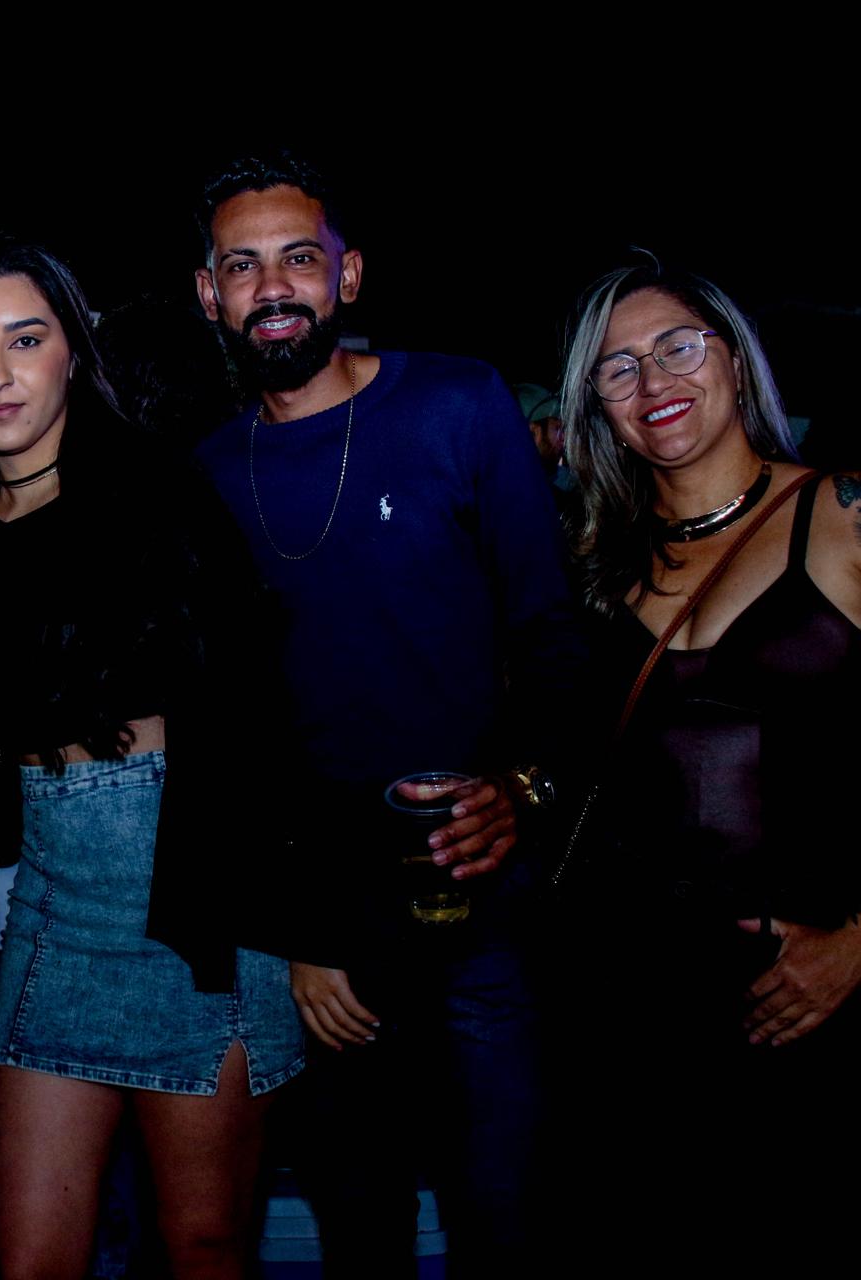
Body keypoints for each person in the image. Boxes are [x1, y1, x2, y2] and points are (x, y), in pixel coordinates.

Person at [189, 153, 581, 1277]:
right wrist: (304, 937)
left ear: (347, 275)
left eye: (298, 259)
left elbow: (555, 643)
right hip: (331, 950)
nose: (273, 287)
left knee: (506, 1226)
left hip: (485, 920)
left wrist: (523, 788)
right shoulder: (207, 474)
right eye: (242, 266)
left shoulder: (460, 403)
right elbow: (236, 738)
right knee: (361, 1235)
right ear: (208, 294)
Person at [0, 236, 304, 1280]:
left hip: (194, 895)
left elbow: (262, 723)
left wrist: (306, 931)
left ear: (71, 356)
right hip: (51, 906)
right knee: (27, 1256)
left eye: (24, 340)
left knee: (203, 1244)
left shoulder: (160, 493)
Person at [551, 261, 861, 1270]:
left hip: (804, 995)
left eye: (678, 346)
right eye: (617, 368)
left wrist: (859, 942)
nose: (653, 381)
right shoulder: (592, 563)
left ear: (733, 357)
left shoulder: (843, 513)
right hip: (629, 1007)